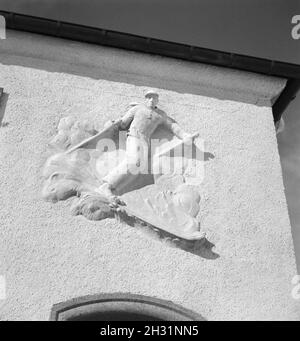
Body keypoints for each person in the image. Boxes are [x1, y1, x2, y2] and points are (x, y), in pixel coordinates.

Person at [96, 90, 194, 202]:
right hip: (134, 136)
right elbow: (123, 123)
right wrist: (112, 123)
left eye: (154, 98)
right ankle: (106, 185)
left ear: (157, 100)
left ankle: (114, 188)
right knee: (133, 161)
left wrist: (185, 135)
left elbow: (172, 126)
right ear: (145, 99)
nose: (151, 100)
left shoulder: (160, 115)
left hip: (145, 141)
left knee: (137, 167)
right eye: (149, 97)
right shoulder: (137, 109)